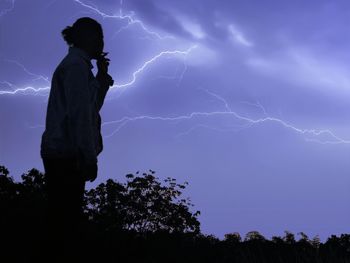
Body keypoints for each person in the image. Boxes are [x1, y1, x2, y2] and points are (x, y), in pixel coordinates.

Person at [40, 17, 113, 261]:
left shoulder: (82, 68)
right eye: (96, 36)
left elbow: (91, 108)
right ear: (81, 36)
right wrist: (89, 157)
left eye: (102, 37)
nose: (101, 42)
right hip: (66, 155)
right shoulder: (75, 67)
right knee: (64, 227)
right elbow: (80, 116)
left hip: (66, 153)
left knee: (64, 224)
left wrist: (102, 79)